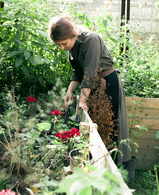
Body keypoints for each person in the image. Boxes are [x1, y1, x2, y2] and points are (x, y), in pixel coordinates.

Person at [48, 15, 135, 175]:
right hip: (92, 88)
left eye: (63, 44)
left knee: (111, 128)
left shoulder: (91, 40)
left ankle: (114, 171)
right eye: (59, 45)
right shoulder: (73, 46)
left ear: (72, 34)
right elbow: (77, 71)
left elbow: (89, 73)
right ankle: (95, 168)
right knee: (95, 127)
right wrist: (69, 91)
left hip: (108, 85)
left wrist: (82, 100)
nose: (62, 48)